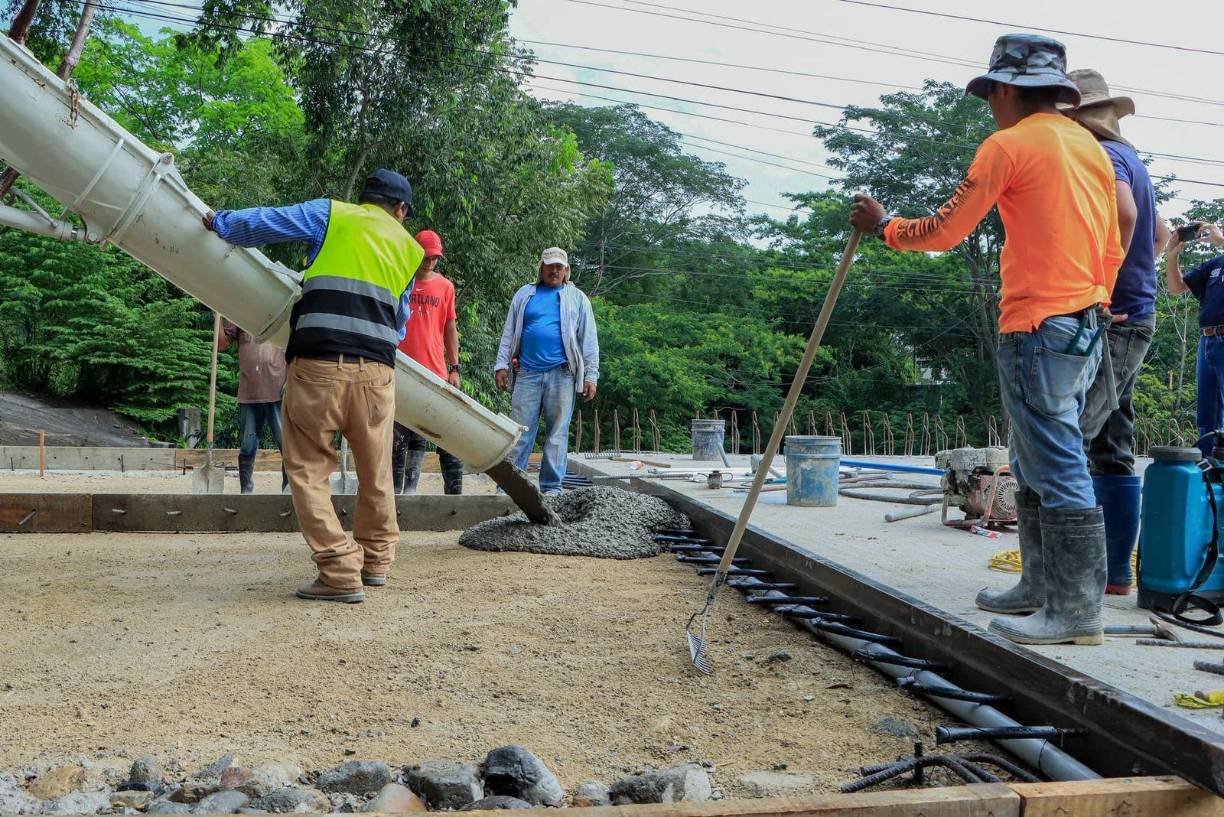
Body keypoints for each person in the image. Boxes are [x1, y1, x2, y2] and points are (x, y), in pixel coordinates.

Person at [850, 34, 1124, 646]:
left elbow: (947, 231)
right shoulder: (1089, 147)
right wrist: (1095, 305)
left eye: (990, 95)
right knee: (1033, 461)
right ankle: (1037, 586)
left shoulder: (1008, 145)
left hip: (1037, 324)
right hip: (1083, 323)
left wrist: (886, 227)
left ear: (1003, 89)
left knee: (1055, 463)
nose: (990, 106)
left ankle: (1077, 613)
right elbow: (1113, 245)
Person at [204, 169, 424, 604]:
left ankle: (340, 570)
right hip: (377, 375)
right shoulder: (410, 249)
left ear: (366, 199)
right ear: (400, 209)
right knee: (376, 470)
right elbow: (399, 323)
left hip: (318, 367)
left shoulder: (331, 215)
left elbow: (264, 223)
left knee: (306, 470)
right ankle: (376, 561)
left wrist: (220, 222)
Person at [1065, 69, 1170, 597]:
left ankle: (1074, 575)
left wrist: (1104, 288)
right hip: (1136, 311)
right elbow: (1161, 233)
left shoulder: (1103, 158)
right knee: (1113, 439)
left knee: (1071, 437)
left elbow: (1127, 215)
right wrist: (1139, 278)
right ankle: (1112, 575)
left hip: (1116, 317)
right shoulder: (1134, 160)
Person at [495, 247, 599, 495]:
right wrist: (501, 365)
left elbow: (589, 339)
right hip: (527, 373)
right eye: (550, 265)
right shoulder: (524, 294)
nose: (554, 270)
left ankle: (552, 488)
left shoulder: (577, 298)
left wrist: (591, 375)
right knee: (518, 433)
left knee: (557, 434)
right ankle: (510, 487)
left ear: (566, 270)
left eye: (559, 267)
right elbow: (509, 332)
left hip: (562, 374)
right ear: (541, 268)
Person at [391, 229, 464, 495]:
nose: (430, 261)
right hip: (401, 366)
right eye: (426, 256)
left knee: (431, 429)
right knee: (398, 432)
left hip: (434, 369)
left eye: (435, 258)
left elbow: (449, 327)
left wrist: (454, 367)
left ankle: (414, 490)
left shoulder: (445, 286)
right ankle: (396, 493)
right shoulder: (398, 279)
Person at [1167, 222, 1224, 459]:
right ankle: (1209, 477)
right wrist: (1172, 255)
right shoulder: (1215, 265)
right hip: (1208, 341)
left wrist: (1220, 241)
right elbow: (1176, 287)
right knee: (1207, 417)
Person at [218, 319, 288, 495]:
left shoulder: (283, 306)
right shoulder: (242, 310)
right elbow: (221, 344)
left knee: (287, 446)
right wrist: (217, 317)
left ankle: (288, 490)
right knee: (247, 446)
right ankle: (245, 492)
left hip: (278, 390)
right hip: (250, 391)